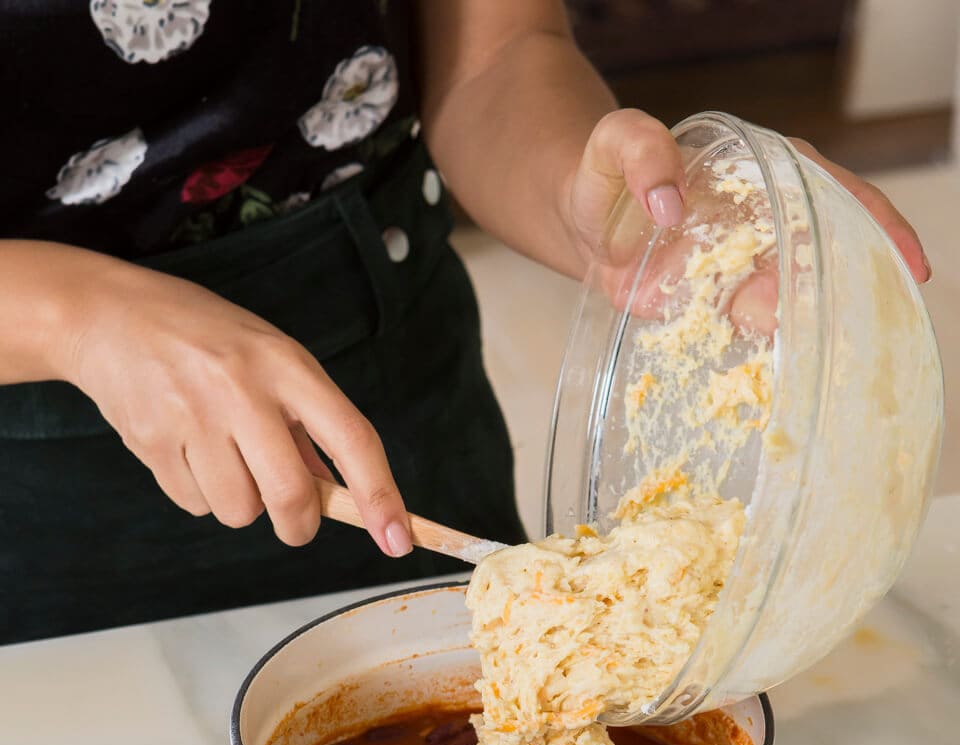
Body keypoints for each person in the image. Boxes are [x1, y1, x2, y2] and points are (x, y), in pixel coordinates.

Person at [0, 1, 930, 645]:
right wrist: (77, 319)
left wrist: (591, 202)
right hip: (34, 490)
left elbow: (494, 55)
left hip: (384, 347)